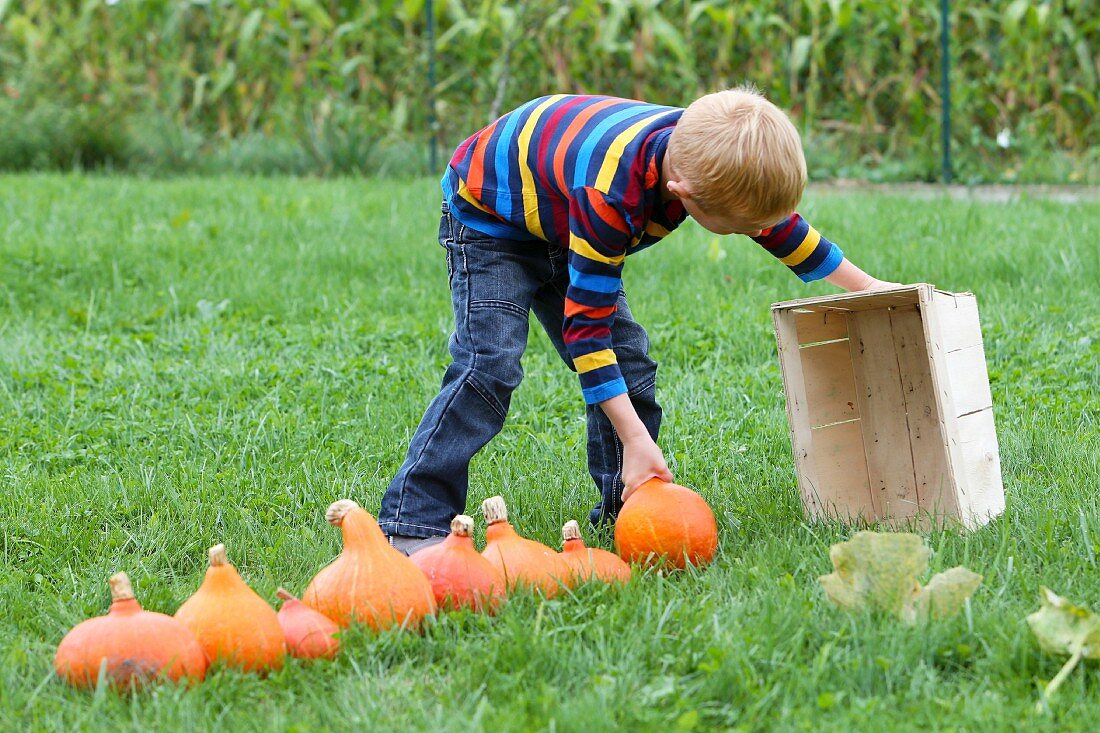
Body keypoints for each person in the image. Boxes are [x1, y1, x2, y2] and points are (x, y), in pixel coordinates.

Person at [377, 87, 898, 555]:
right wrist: (635, 436)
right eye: (743, 229)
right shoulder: (612, 196)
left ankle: (627, 508)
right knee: (488, 364)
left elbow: (779, 228)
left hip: (563, 210)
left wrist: (871, 288)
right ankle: (412, 521)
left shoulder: (708, 156)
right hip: (490, 217)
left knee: (630, 363)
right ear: (683, 194)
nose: (758, 233)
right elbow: (587, 331)